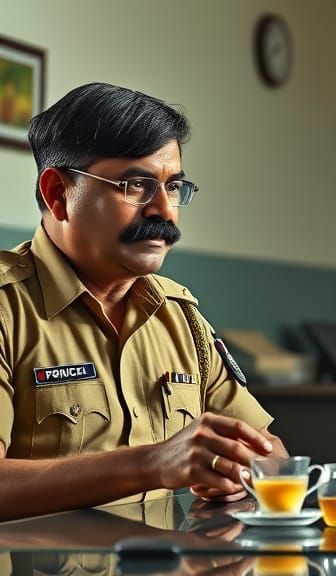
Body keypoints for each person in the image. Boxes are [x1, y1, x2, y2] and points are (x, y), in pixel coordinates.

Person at [0, 82, 287, 521]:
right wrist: (151, 464)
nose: (164, 211)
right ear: (59, 193)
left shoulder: (181, 317)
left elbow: (272, 455)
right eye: (136, 185)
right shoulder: (7, 310)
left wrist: (241, 475)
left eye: (173, 187)